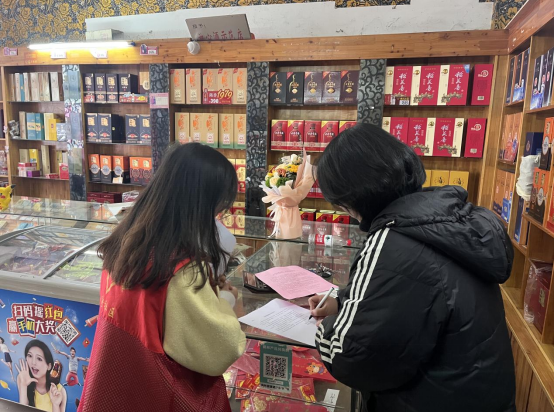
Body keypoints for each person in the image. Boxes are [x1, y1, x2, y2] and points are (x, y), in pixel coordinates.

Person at [309, 124, 515, 412]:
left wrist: (323, 330)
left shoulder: (393, 240)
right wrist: (343, 302)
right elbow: (412, 300)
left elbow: (354, 358)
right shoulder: (447, 219)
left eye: (340, 203)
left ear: (354, 196)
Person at [79, 143, 246, 412]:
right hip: (156, 394)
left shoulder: (126, 244)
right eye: (216, 209)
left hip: (113, 387)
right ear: (199, 206)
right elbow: (220, 348)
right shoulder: (182, 269)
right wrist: (226, 299)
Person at [15, 339, 67, 412]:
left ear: (49, 366)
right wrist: (23, 386)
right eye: (30, 356)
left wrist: (55, 405)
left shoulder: (59, 391)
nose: (33, 362)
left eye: (39, 359)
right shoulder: (22, 378)